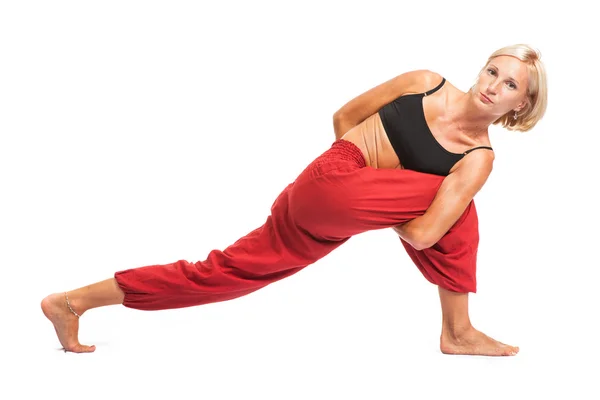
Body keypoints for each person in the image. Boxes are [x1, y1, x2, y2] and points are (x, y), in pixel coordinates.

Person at [42, 43, 547, 356]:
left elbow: (424, 235)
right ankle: (457, 332)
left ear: (519, 104)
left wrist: (370, 203)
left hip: (326, 217)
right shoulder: (424, 84)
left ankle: (71, 302)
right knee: (460, 211)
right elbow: (342, 121)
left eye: (509, 85)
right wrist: (366, 195)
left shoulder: (477, 155)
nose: (492, 86)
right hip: (330, 178)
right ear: (479, 69)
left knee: (219, 273)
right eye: (491, 71)